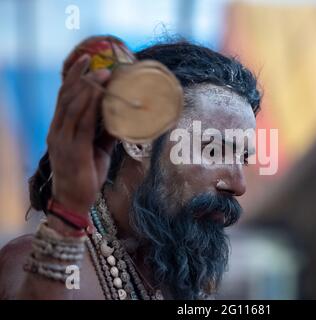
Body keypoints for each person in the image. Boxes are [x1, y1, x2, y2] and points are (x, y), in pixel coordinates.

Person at [0, 41, 261, 300]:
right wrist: (67, 216)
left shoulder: (180, 275)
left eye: (244, 159)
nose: (239, 185)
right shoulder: (30, 268)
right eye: (214, 151)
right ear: (139, 142)